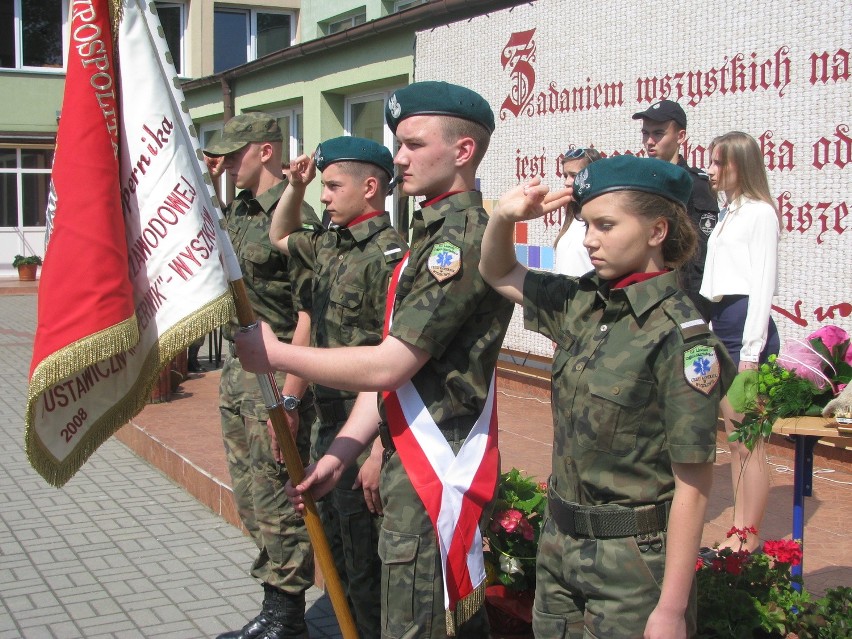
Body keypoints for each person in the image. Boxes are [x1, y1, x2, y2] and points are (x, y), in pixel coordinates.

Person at [235, 81, 514, 638]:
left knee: (419, 624)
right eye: (398, 145)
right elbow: (389, 379)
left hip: (437, 463)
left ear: (462, 152)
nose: (400, 159)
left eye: (413, 144)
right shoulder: (429, 233)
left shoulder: (456, 240)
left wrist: (276, 354)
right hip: (409, 457)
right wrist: (339, 455)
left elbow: (390, 364)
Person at [479, 155, 736, 638]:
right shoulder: (582, 303)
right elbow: (498, 272)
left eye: (605, 225)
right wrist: (502, 218)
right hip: (559, 548)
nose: (589, 239)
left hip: (632, 569)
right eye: (585, 224)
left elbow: (694, 485)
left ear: (657, 230)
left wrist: (671, 609)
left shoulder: (681, 338)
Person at [267, 136, 409, 638]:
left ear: (370, 187)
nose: (323, 197)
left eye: (331, 186)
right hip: (326, 429)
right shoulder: (329, 243)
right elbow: (279, 234)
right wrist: (296, 186)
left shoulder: (391, 257)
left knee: (368, 572)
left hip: (364, 429)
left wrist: (375, 450)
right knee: (339, 564)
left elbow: (394, 360)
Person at [202, 112, 321, 639]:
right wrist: (206, 180)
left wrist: (292, 400)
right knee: (250, 495)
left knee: (277, 496)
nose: (225, 162)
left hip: (275, 374)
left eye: (234, 153)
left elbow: (309, 315)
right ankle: (274, 602)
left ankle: (287, 616)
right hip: (238, 370)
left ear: (265, 151)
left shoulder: (294, 216)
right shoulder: (239, 209)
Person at [700, 131, 781, 554]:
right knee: (733, 440)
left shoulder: (760, 213)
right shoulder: (728, 212)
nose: (711, 170)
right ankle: (738, 528)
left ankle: (747, 538)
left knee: (748, 441)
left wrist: (751, 353)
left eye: (720, 163)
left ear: (740, 165)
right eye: (711, 162)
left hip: (743, 327)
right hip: (721, 323)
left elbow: (762, 285)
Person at [633, 99, 719, 320]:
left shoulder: (695, 185)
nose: (649, 141)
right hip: (643, 297)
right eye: (646, 133)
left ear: (680, 137)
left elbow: (699, 258)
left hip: (680, 302)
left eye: (658, 133)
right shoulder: (639, 183)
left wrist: (692, 315)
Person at [553, 147, 602, 276]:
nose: (567, 182)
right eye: (565, 175)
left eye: (574, 175)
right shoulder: (569, 217)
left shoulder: (603, 221)